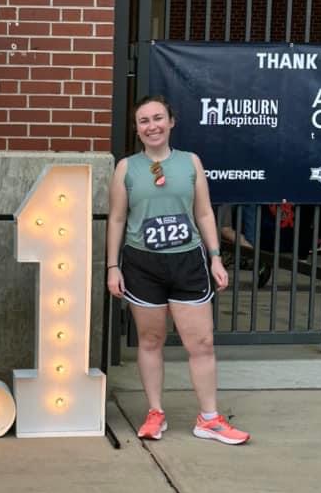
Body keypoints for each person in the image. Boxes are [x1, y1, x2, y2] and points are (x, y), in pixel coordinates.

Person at [107, 95, 250, 445]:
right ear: (137, 129)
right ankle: (155, 412)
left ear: (171, 121)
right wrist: (113, 266)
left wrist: (215, 256)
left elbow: (203, 213)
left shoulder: (191, 163)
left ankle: (210, 419)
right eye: (144, 121)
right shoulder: (127, 168)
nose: (152, 126)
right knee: (151, 340)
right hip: (143, 263)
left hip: (187, 261)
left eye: (158, 118)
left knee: (201, 342)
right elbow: (118, 218)